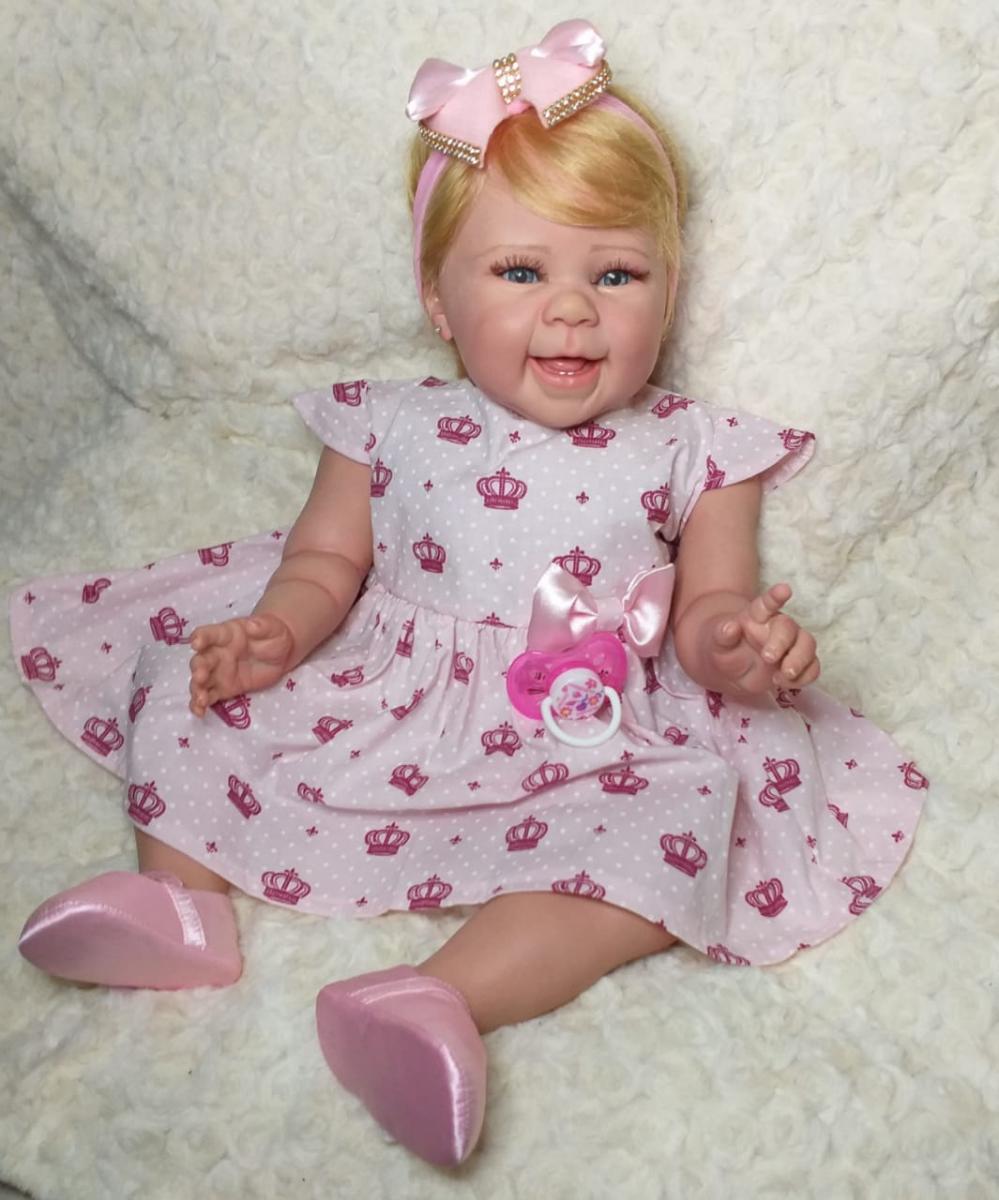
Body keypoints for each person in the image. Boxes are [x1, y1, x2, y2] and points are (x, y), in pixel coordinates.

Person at [11, 19, 927, 1168]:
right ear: (438, 301)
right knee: (183, 669)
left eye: (616, 274)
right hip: (381, 688)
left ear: (670, 290)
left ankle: (431, 1000)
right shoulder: (386, 422)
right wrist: (274, 633)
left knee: (684, 815)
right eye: (520, 272)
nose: (573, 309)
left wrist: (736, 645)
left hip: (584, 720)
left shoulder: (698, 447)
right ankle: (176, 903)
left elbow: (707, 608)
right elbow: (325, 563)